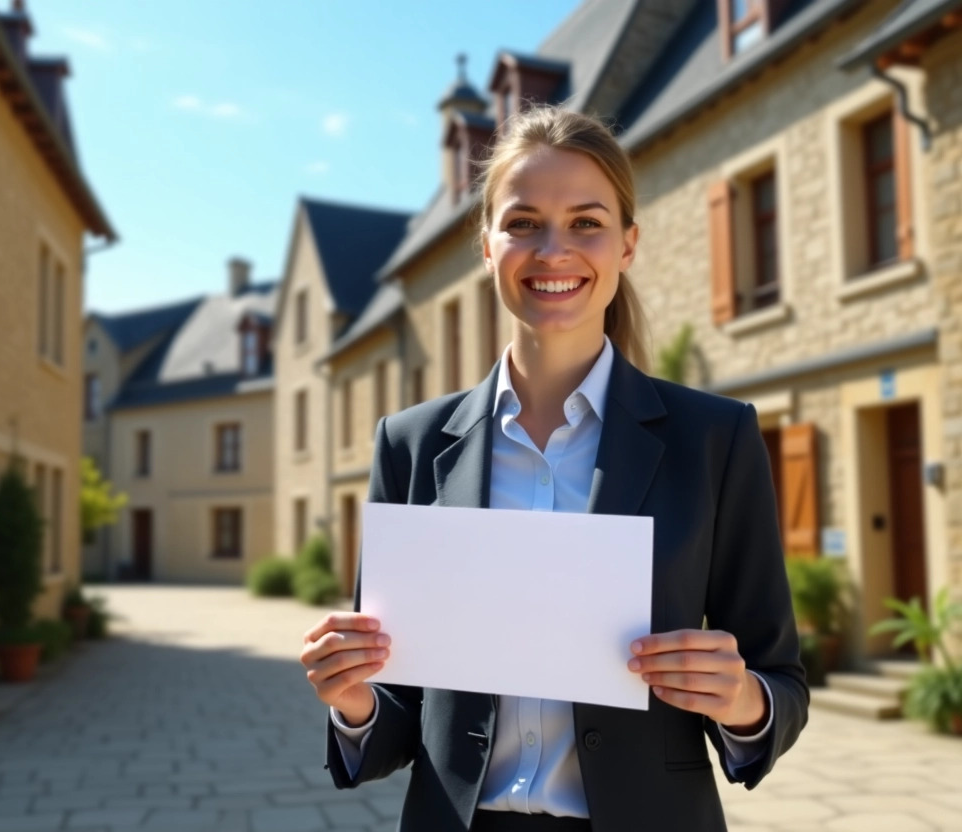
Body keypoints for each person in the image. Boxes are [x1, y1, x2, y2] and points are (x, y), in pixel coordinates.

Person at [298, 105, 808, 832]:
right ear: (486, 245)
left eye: (587, 223)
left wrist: (741, 700)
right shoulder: (409, 445)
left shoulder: (714, 438)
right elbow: (399, 722)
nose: (554, 249)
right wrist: (352, 700)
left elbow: (781, 684)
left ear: (628, 245)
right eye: (524, 222)